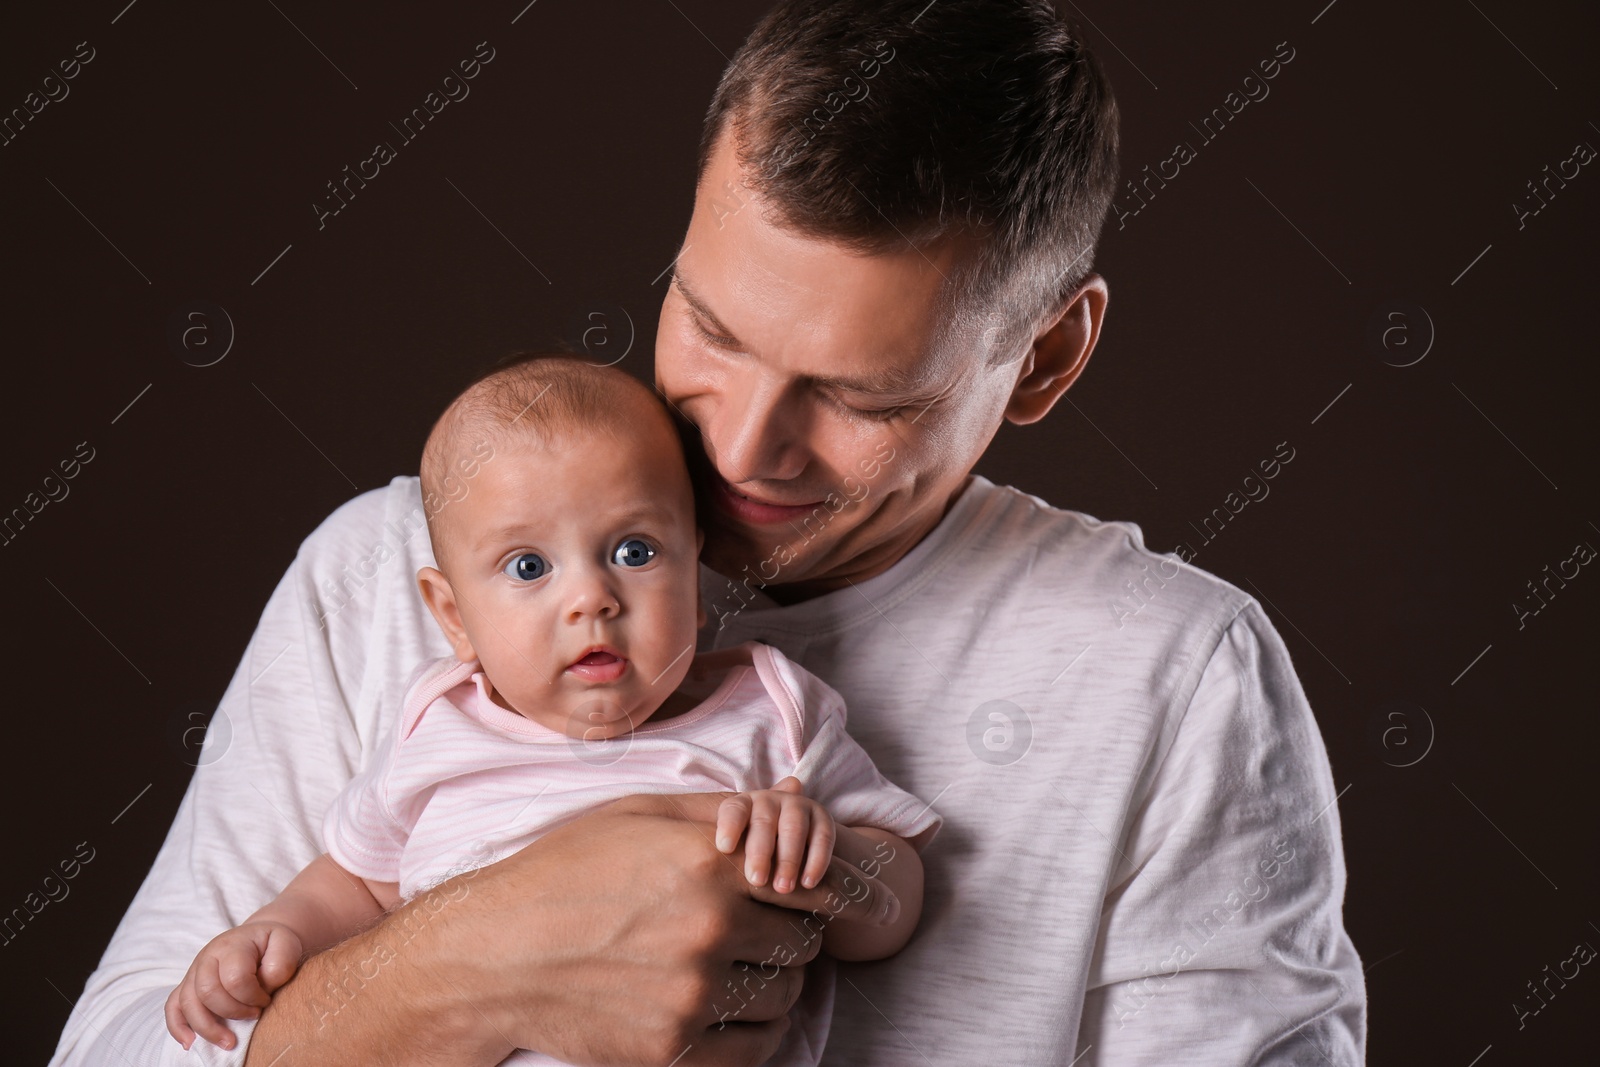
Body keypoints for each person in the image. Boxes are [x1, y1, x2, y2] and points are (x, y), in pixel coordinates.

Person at [50, 2, 1367, 1064]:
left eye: (856, 397)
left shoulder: (1173, 685)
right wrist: (472, 957)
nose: (738, 451)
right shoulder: (391, 577)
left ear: (1045, 358)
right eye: (712, 330)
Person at [161, 357, 940, 1064]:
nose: (591, 599)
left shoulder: (768, 709)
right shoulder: (441, 725)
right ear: (454, 616)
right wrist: (271, 935)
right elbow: (359, 885)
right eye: (529, 566)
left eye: (635, 551)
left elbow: (894, 891)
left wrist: (827, 850)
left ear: (696, 579)